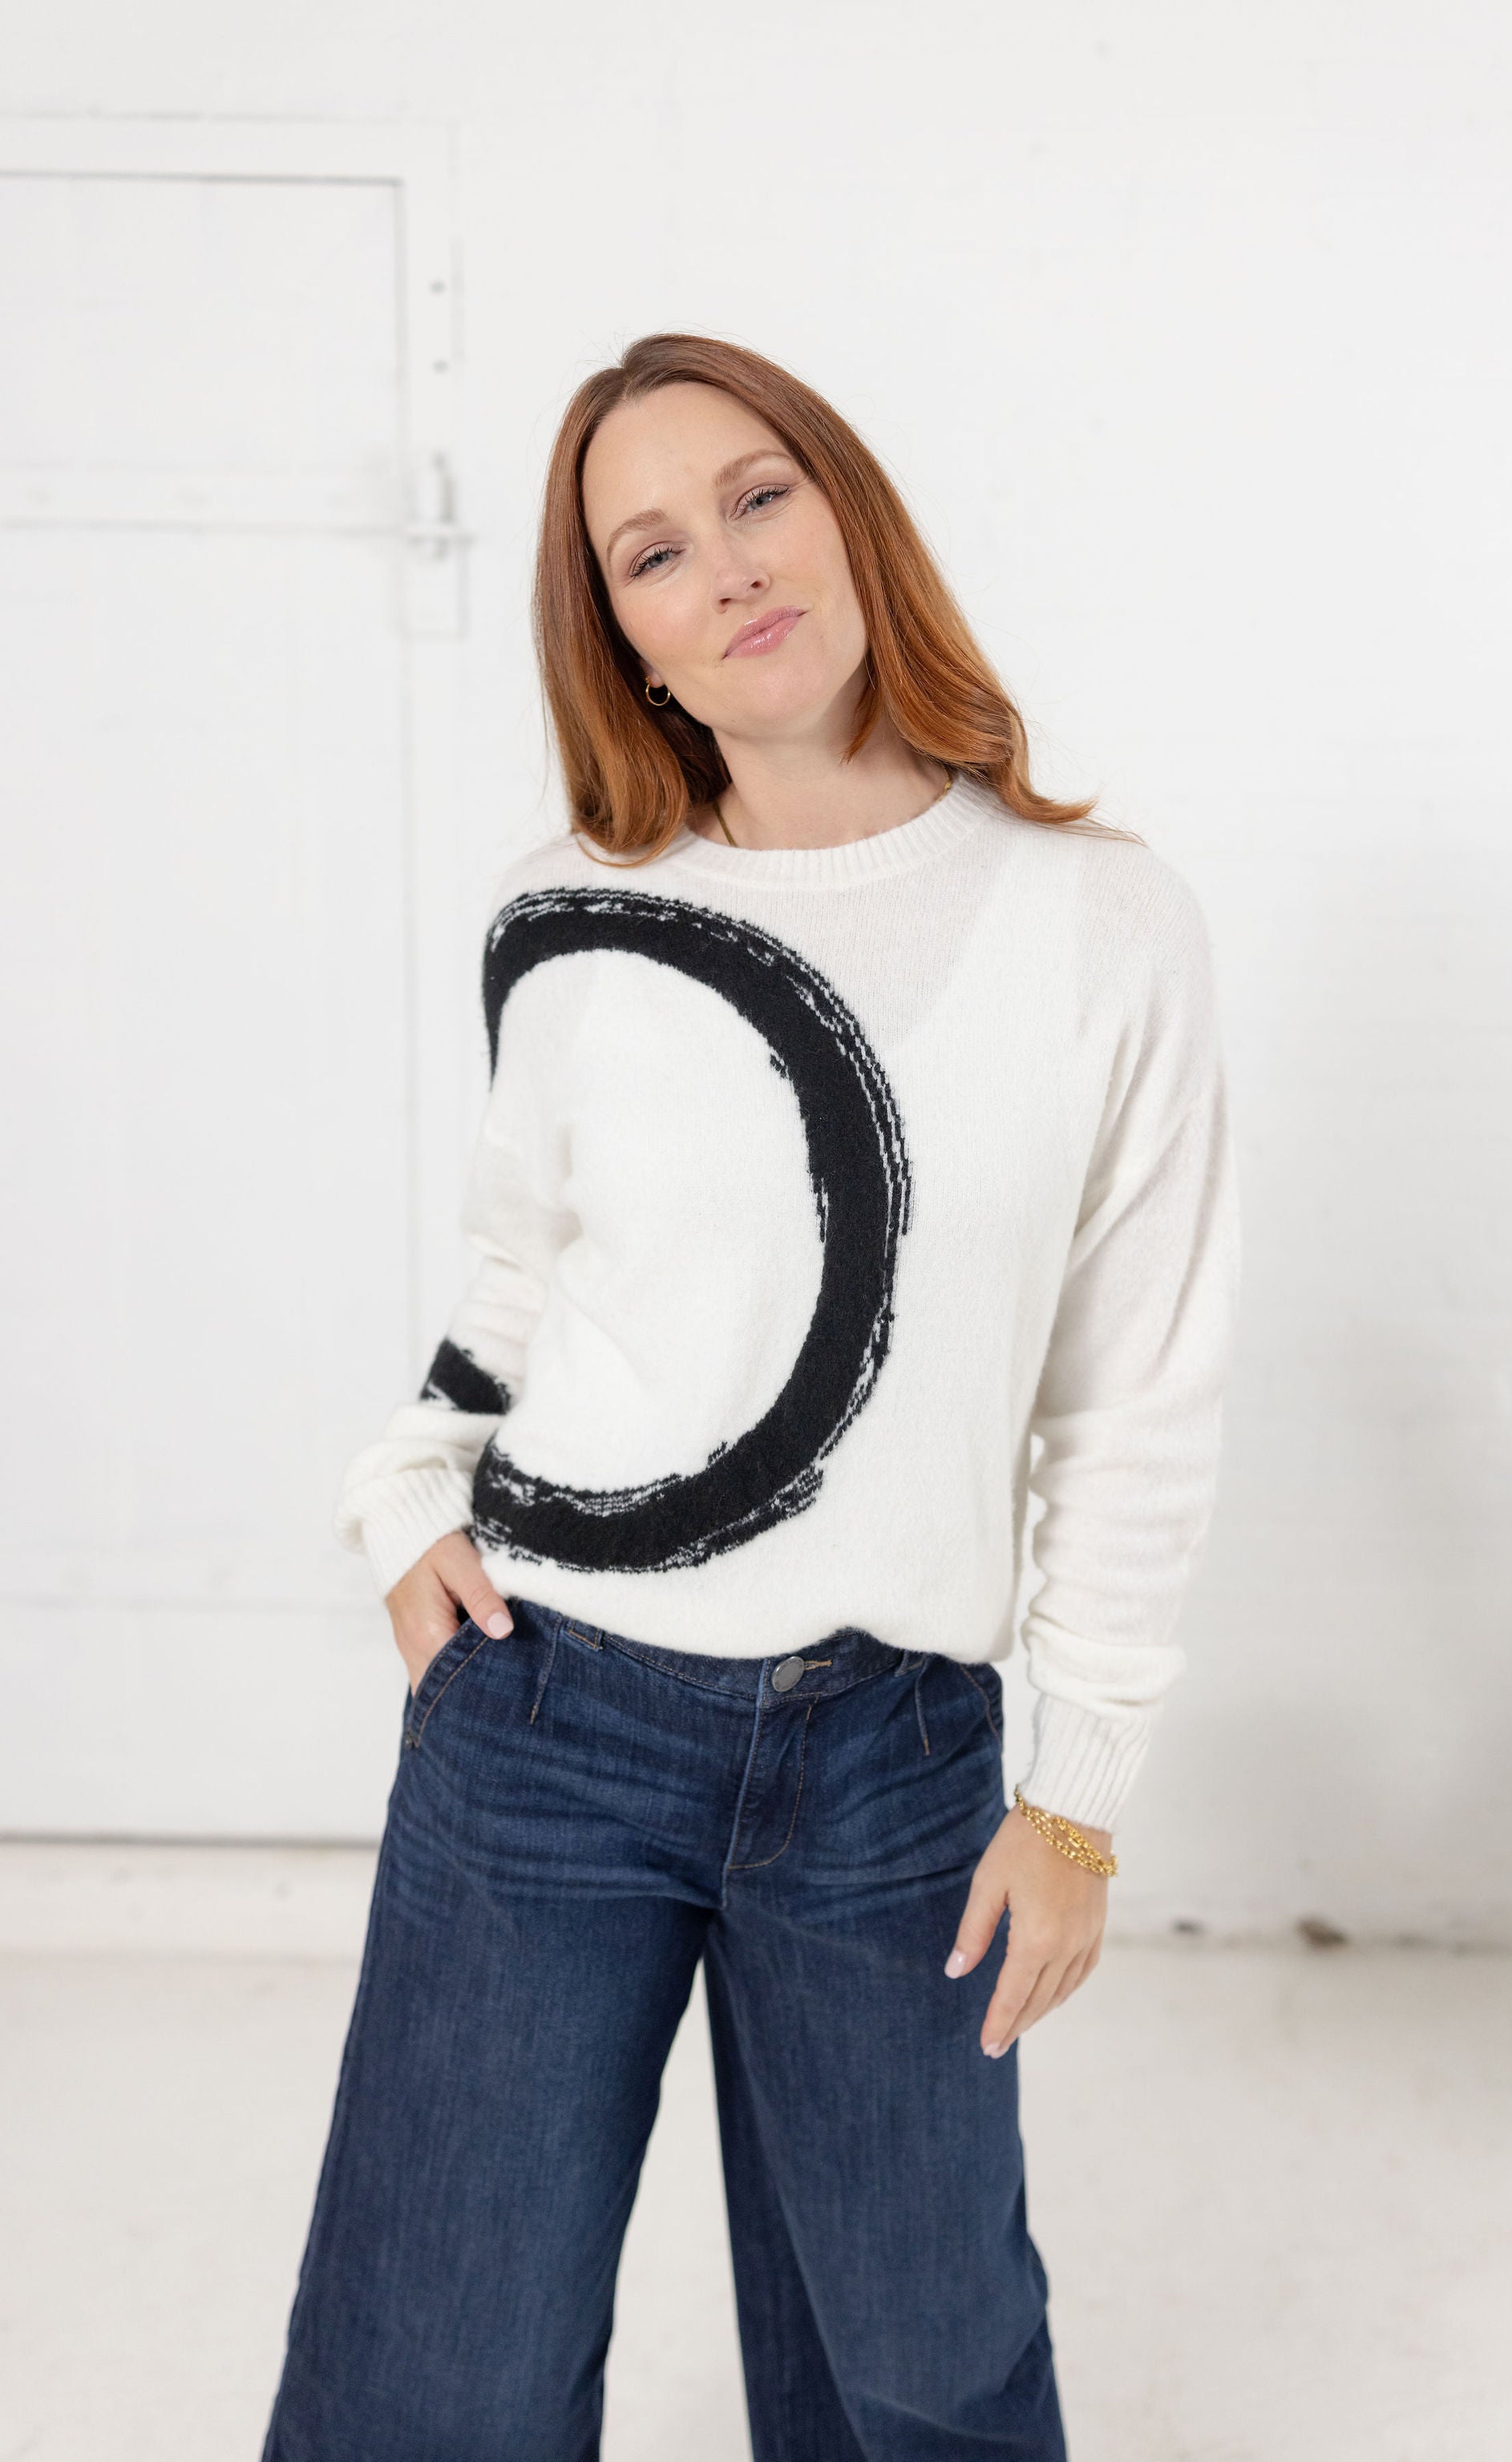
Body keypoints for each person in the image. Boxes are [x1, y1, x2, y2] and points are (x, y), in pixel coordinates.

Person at [261, 331, 1239, 2462]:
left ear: (848, 511)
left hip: (894, 1753)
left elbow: (1136, 1397)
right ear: (622, 636)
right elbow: (518, 1273)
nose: (726, 568)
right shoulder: (569, 913)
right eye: (651, 552)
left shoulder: (1106, 925)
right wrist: (405, 1484)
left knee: (926, 2388)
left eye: (758, 495)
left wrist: (1076, 1796)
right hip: (546, 1714)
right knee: (435, 2390)